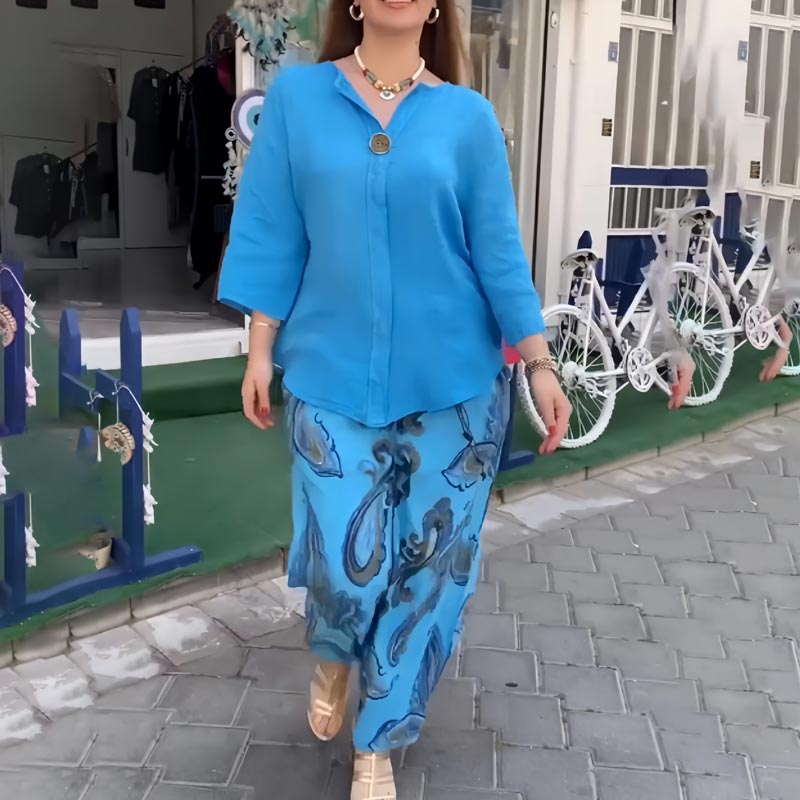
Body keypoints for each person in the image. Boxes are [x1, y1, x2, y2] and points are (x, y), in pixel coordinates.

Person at [217, 0, 573, 796]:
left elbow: (498, 251)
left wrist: (540, 364)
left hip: (457, 393)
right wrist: (260, 347)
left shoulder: (467, 118)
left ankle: (377, 741)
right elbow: (272, 228)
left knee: (429, 573)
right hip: (329, 379)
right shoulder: (299, 100)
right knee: (346, 566)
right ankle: (334, 650)